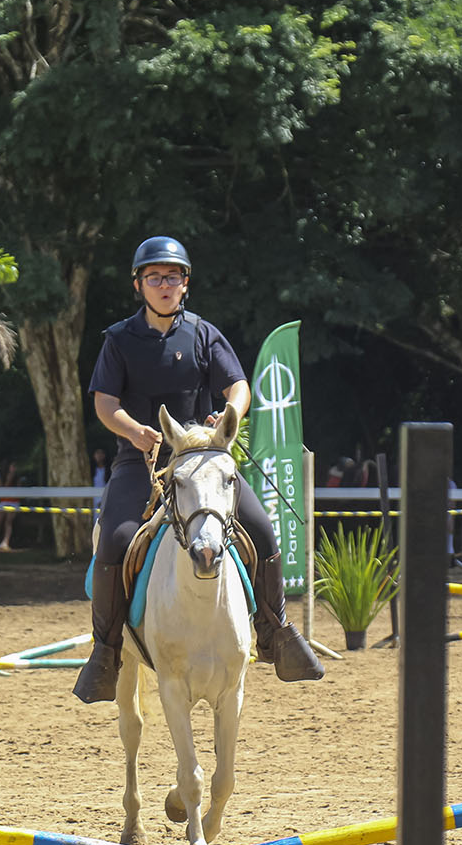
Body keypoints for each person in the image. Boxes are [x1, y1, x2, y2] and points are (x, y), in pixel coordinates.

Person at [73, 235, 324, 703]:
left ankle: (275, 632)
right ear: (138, 285)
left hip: (203, 459)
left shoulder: (204, 334)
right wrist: (134, 430)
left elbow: (238, 386)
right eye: (154, 277)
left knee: (262, 529)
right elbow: (105, 404)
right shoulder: (119, 340)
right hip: (142, 462)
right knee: (114, 540)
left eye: (172, 276)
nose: (164, 284)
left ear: (185, 283)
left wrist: (229, 415)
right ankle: (105, 652)